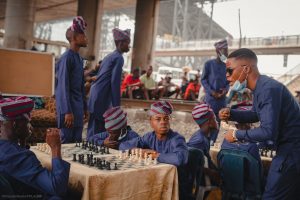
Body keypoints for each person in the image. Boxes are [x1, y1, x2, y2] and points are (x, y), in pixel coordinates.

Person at [219, 48, 300, 199]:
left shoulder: (268, 89)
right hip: (290, 149)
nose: (227, 76)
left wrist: (237, 134)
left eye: (229, 70)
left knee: (271, 196)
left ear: (246, 69)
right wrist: (231, 113)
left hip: (292, 151)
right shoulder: (261, 87)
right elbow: (256, 114)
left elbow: (268, 131)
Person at [0, 97, 70, 199]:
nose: (30, 127)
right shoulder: (21, 157)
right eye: (27, 122)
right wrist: (55, 148)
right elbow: (58, 187)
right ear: (15, 125)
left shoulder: (8, 150)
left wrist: (22, 139)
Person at [119, 101, 189, 199]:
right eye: (158, 119)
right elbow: (123, 146)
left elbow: (180, 158)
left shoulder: (177, 139)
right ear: (151, 122)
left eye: (166, 119)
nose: (163, 122)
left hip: (175, 188)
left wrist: (154, 155)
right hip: (155, 183)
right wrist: (137, 151)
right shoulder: (149, 137)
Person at [87, 28, 131, 140]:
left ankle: (88, 149)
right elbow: (115, 83)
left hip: (95, 94)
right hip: (101, 95)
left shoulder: (109, 56)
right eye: (127, 43)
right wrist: (117, 107)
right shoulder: (119, 58)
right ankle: (94, 153)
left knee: (93, 126)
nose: (129, 46)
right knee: (100, 130)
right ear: (121, 43)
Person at [55, 16, 88, 143]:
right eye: (83, 35)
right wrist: (67, 111)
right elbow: (63, 86)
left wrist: (85, 107)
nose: (86, 38)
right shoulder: (66, 58)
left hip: (78, 108)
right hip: (68, 109)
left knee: (77, 144)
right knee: (66, 144)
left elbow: (81, 85)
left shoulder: (79, 59)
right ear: (74, 38)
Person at [201, 39, 229, 144]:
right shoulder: (208, 64)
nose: (226, 53)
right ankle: (205, 141)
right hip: (210, 99)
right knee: (208, 121)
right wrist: (212, 92)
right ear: (218, 51)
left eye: (227, 51)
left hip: (221, 100)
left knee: (218, 121)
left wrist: (225, 90)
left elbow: (229, 81)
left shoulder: (227, 66)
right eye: (224, 51)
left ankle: (212, 142)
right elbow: (203, 80)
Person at [187, 103, 220, 185]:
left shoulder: (203, 136)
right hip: (200, 181)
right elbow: (189, 163)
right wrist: (211, 173)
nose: (217, 121)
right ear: (209, 122)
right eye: (214, 119)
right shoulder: (199, 141)